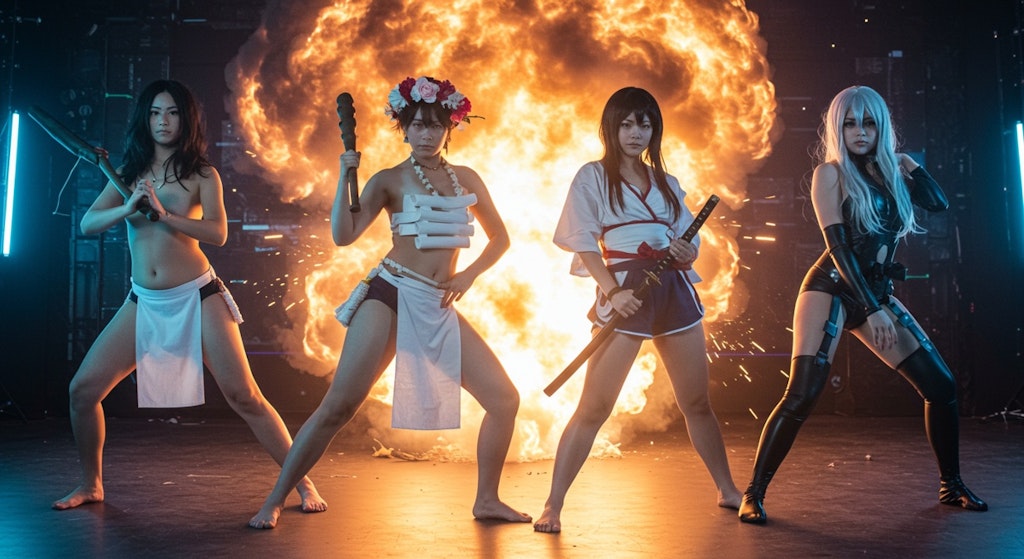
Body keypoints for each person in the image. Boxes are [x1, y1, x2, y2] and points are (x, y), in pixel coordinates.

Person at [247, 75, 531, 529]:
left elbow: (500, 238)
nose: (426, 134)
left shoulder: (467, 178)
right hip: (391, 294)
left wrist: (469, 275)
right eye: (417, 125)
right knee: (339, 406)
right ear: (404, 128)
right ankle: (277, 498)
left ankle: (487, 500)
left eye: (434, 125)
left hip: (437, 303)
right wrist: (345, 174)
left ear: (449, 128)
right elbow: (344, 236)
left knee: (504, 399)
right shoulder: (388, 180)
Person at [52, 79, 326, 514]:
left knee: (245, 396)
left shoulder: (202, 175)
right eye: (155, 112)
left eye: (173, 112)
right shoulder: (126, 174)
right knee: (82, 391)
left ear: (186, 119)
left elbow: (217, 233)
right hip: (144, 301)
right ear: (145, 119)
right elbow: (88, 224)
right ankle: (91, 484)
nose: (163, 121)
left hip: (198, 296)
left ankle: (304, 484)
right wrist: (128, 206)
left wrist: (165, 215)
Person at [738, 85, 987, 524]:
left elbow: (939, 203)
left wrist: (907, 164)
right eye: (850, 123)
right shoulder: (829, 174)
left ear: (881, 127)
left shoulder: (892, 173)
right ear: (838, 128)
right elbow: (839, 248)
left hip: (874, 293)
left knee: (941, 387)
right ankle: (753, 493)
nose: (859, 131)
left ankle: (951, 485)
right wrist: (872, 310)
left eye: (869, 123)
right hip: (830, 289)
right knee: (802, 393)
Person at [533, 87, 743, 534]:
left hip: (672, 290)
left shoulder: (666, 182)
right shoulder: (592, 176)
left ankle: (728, 489)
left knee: (697, 401)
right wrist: (612, 292)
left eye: (644, 124)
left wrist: (686, 251)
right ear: (611, 128)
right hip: (626, 288)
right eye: (626, 124)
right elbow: (584, 242)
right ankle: (552, 504)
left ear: (654, 130)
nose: (635, 133)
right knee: (594, 407)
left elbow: (687, 240)